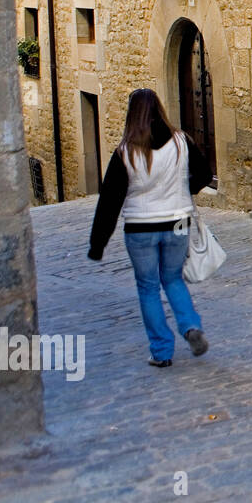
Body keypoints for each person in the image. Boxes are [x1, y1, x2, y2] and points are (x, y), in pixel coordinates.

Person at [89, 88, 212, 367]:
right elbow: (205, 174)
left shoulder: (125, 152)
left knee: (148, 288)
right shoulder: (182, 141)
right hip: (178, 221)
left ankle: (161, 351)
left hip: (140, 227)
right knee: (173, 278)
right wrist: (184, 189)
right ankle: (191, 326)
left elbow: (110, 201)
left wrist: (98, 244)